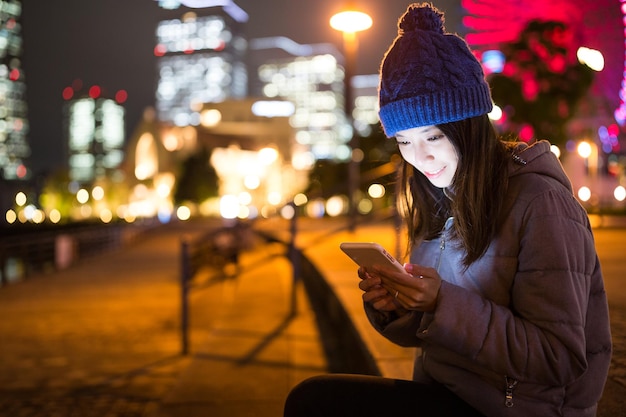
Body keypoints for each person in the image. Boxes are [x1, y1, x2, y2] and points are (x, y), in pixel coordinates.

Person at [283, 3, 612, 417]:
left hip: (517, 408)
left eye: (433, 136)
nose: (419, 158)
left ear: (470, 123)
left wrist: (442, 303)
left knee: (315, 403)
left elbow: (559, 358)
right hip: (448, 390)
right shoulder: (437, 195)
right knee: (312, 398)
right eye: (403, 142)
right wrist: (399, 307)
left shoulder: (542, 204)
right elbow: (433, 337)